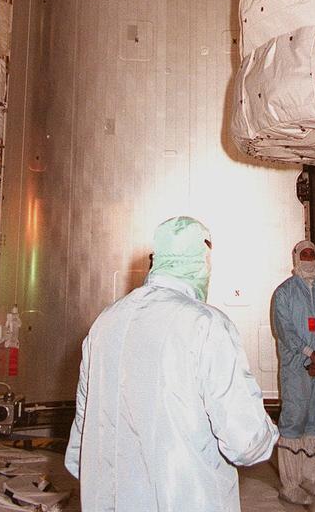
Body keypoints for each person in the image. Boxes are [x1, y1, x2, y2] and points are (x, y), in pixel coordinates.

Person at [65, 216, 278, 511]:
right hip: (187, 497)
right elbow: (246, 442)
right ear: (200, 262)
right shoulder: (206, 325)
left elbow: (81, 438)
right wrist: (271, 434)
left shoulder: (106, 322)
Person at [272, 240, 315, 505]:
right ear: (295, 258)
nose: (310, 258)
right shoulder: (284, 293)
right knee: (294, 420)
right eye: (305, 254)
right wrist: (309, 353)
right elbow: (285, 330)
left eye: (312, 254)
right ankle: (290, 484)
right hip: (296, 367)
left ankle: (312, 477)